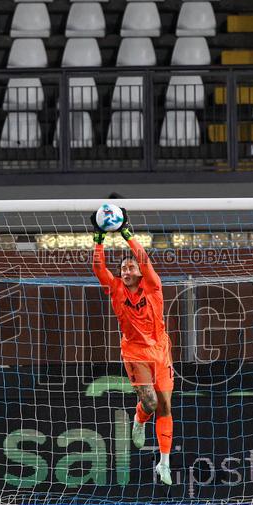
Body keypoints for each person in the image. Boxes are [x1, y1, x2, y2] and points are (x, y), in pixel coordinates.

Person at [91, 208, 175, 485]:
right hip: (134, 351)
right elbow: (97, 268)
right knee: (149, 402)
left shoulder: (153, 288)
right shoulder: (116, 290)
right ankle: (139, 420)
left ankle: (164, 464)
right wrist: (100, 237)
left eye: (130, 267)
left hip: (161, 350)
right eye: (123, 268)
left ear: (140, 272)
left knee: (164, 407)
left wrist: (127, 233)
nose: (125, 270)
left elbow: (143, 259)